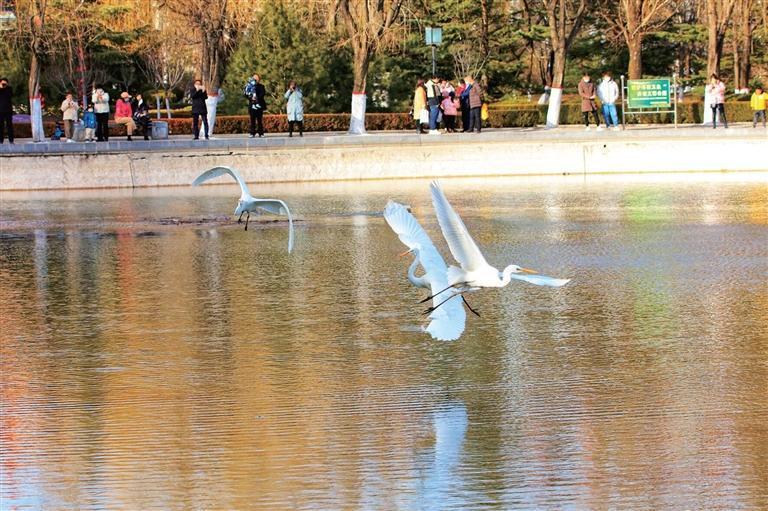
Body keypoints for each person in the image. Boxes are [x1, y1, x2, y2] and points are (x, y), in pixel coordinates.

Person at [0, 77, 13, 144]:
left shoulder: (9, 89)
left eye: (5, 83)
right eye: (2, 83)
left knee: (9, 126)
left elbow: (10, 95)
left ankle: (11, 140)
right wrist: (1, 88)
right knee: (0, 126)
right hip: (0, 111)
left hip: (8, 111)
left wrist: (5, 88)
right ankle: (1, 140)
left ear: (7, 83)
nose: (4, 84)